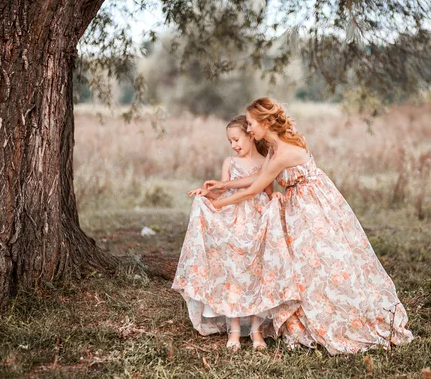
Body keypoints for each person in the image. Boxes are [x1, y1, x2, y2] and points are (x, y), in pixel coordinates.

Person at [205, 98, 413, 354]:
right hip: (298, 204)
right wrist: (223, 185)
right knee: (304, 266)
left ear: (265, 122)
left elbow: (258, 188)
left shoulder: (284, 152)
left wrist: (221, 204)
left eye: (250, 124)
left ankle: (342, 317)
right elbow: (259, 176)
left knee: (324, 262)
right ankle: (309, 314)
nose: (248, 130)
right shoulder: (273, 146)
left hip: (313, 206)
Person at [172, 115, 299, 351]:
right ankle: (234, 329)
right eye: (230, 141)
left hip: (257, 221)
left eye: (237, 139)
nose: (234, 145)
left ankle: (256, 330)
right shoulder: (229, 162)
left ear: (251, 135)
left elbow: (269, 190)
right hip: (234, 220)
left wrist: (276, 197)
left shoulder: (266, 162)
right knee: (233, 271)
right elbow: (222, 193)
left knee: (254, 272)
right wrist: (206, 194)